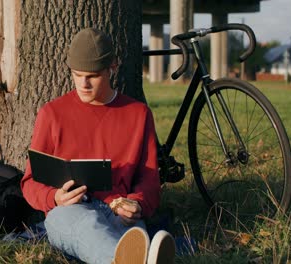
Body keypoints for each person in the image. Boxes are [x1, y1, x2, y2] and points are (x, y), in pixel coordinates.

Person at [21, 28, 175, 264]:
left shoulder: (138, 114)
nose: (83, 84)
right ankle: (131, 259)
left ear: (112, 67)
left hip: (120, 214)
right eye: (76, 74)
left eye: (92, 76)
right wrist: (55, 198)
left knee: (129, 236)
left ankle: (132, 257)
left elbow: (150, 179)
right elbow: (30, 182)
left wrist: (138, 204)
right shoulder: (51, 114)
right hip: (70, 212)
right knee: (86, 226)